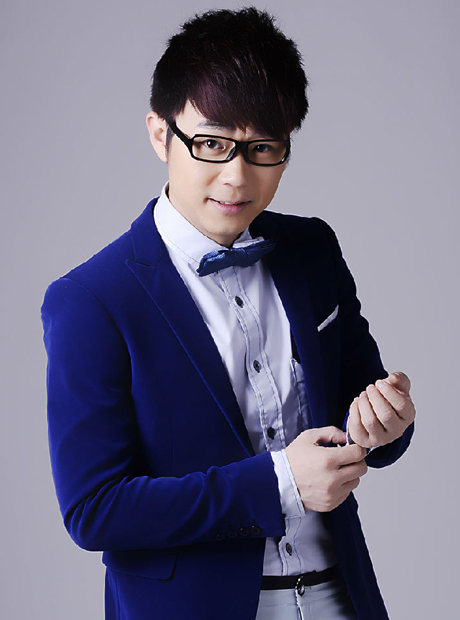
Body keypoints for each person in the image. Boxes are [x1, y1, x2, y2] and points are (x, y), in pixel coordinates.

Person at [41, 7, 415, 620]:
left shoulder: (312, 248)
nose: (237, 178)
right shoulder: (90, 299)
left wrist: (383, 424)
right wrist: (279, 483)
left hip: (339, 596)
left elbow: (359, 406)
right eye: (212, 144)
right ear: (160, 134)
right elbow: (94, 509)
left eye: (262, 148)